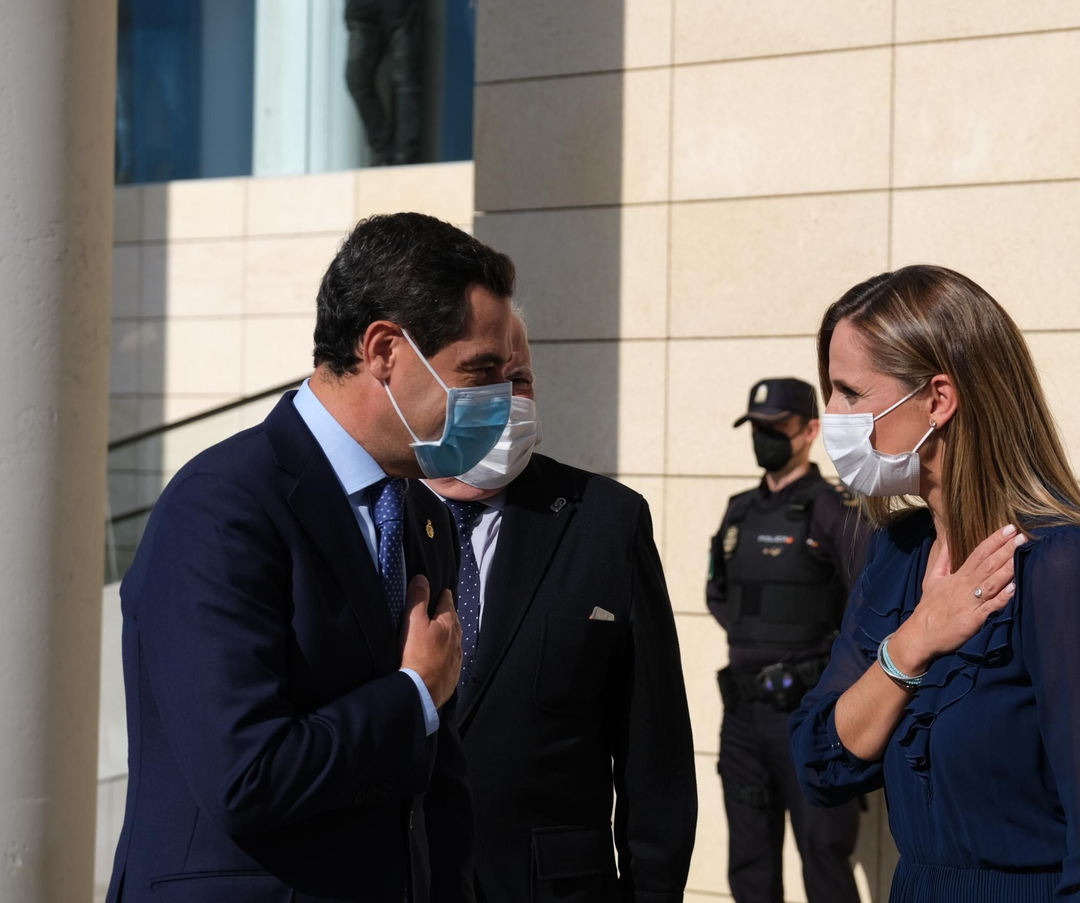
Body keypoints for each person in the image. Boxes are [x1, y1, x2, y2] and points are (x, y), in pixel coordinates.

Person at [107, 212, 520, 903]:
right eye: (478, 373)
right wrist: (412, 691)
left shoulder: (422, 515)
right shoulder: (223, 505)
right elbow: (247, 773)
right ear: (385, 349)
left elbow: (436, 785)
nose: (498, 404)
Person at [789, 265, 1080, 902]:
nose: (833, 417)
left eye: (850, 393)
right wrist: (915, 641)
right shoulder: (897, 555)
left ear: (938, 399)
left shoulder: (1061, 565)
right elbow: (822, 762)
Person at [424, 318, 697, 903]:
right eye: (484, 376)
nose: (510, 398)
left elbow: (656, 750)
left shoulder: (606, 520)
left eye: (520, 379)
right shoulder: (375, 518)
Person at [709, 378, 871, 903]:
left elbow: (870, 605)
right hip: (742, 716)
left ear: (809, 432)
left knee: (825, 861)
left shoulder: (832, 509)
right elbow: (719, 595)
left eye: (775, 428)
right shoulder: (739, 511)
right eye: (757, 428)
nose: (764, 439)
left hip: (810, 713)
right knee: (750, 868)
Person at [346, 0, 424, 166]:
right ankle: (382, 151)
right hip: (363, 9)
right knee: (357, 80)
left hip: (400, 7)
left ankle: (404, 156)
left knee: (406, 81)